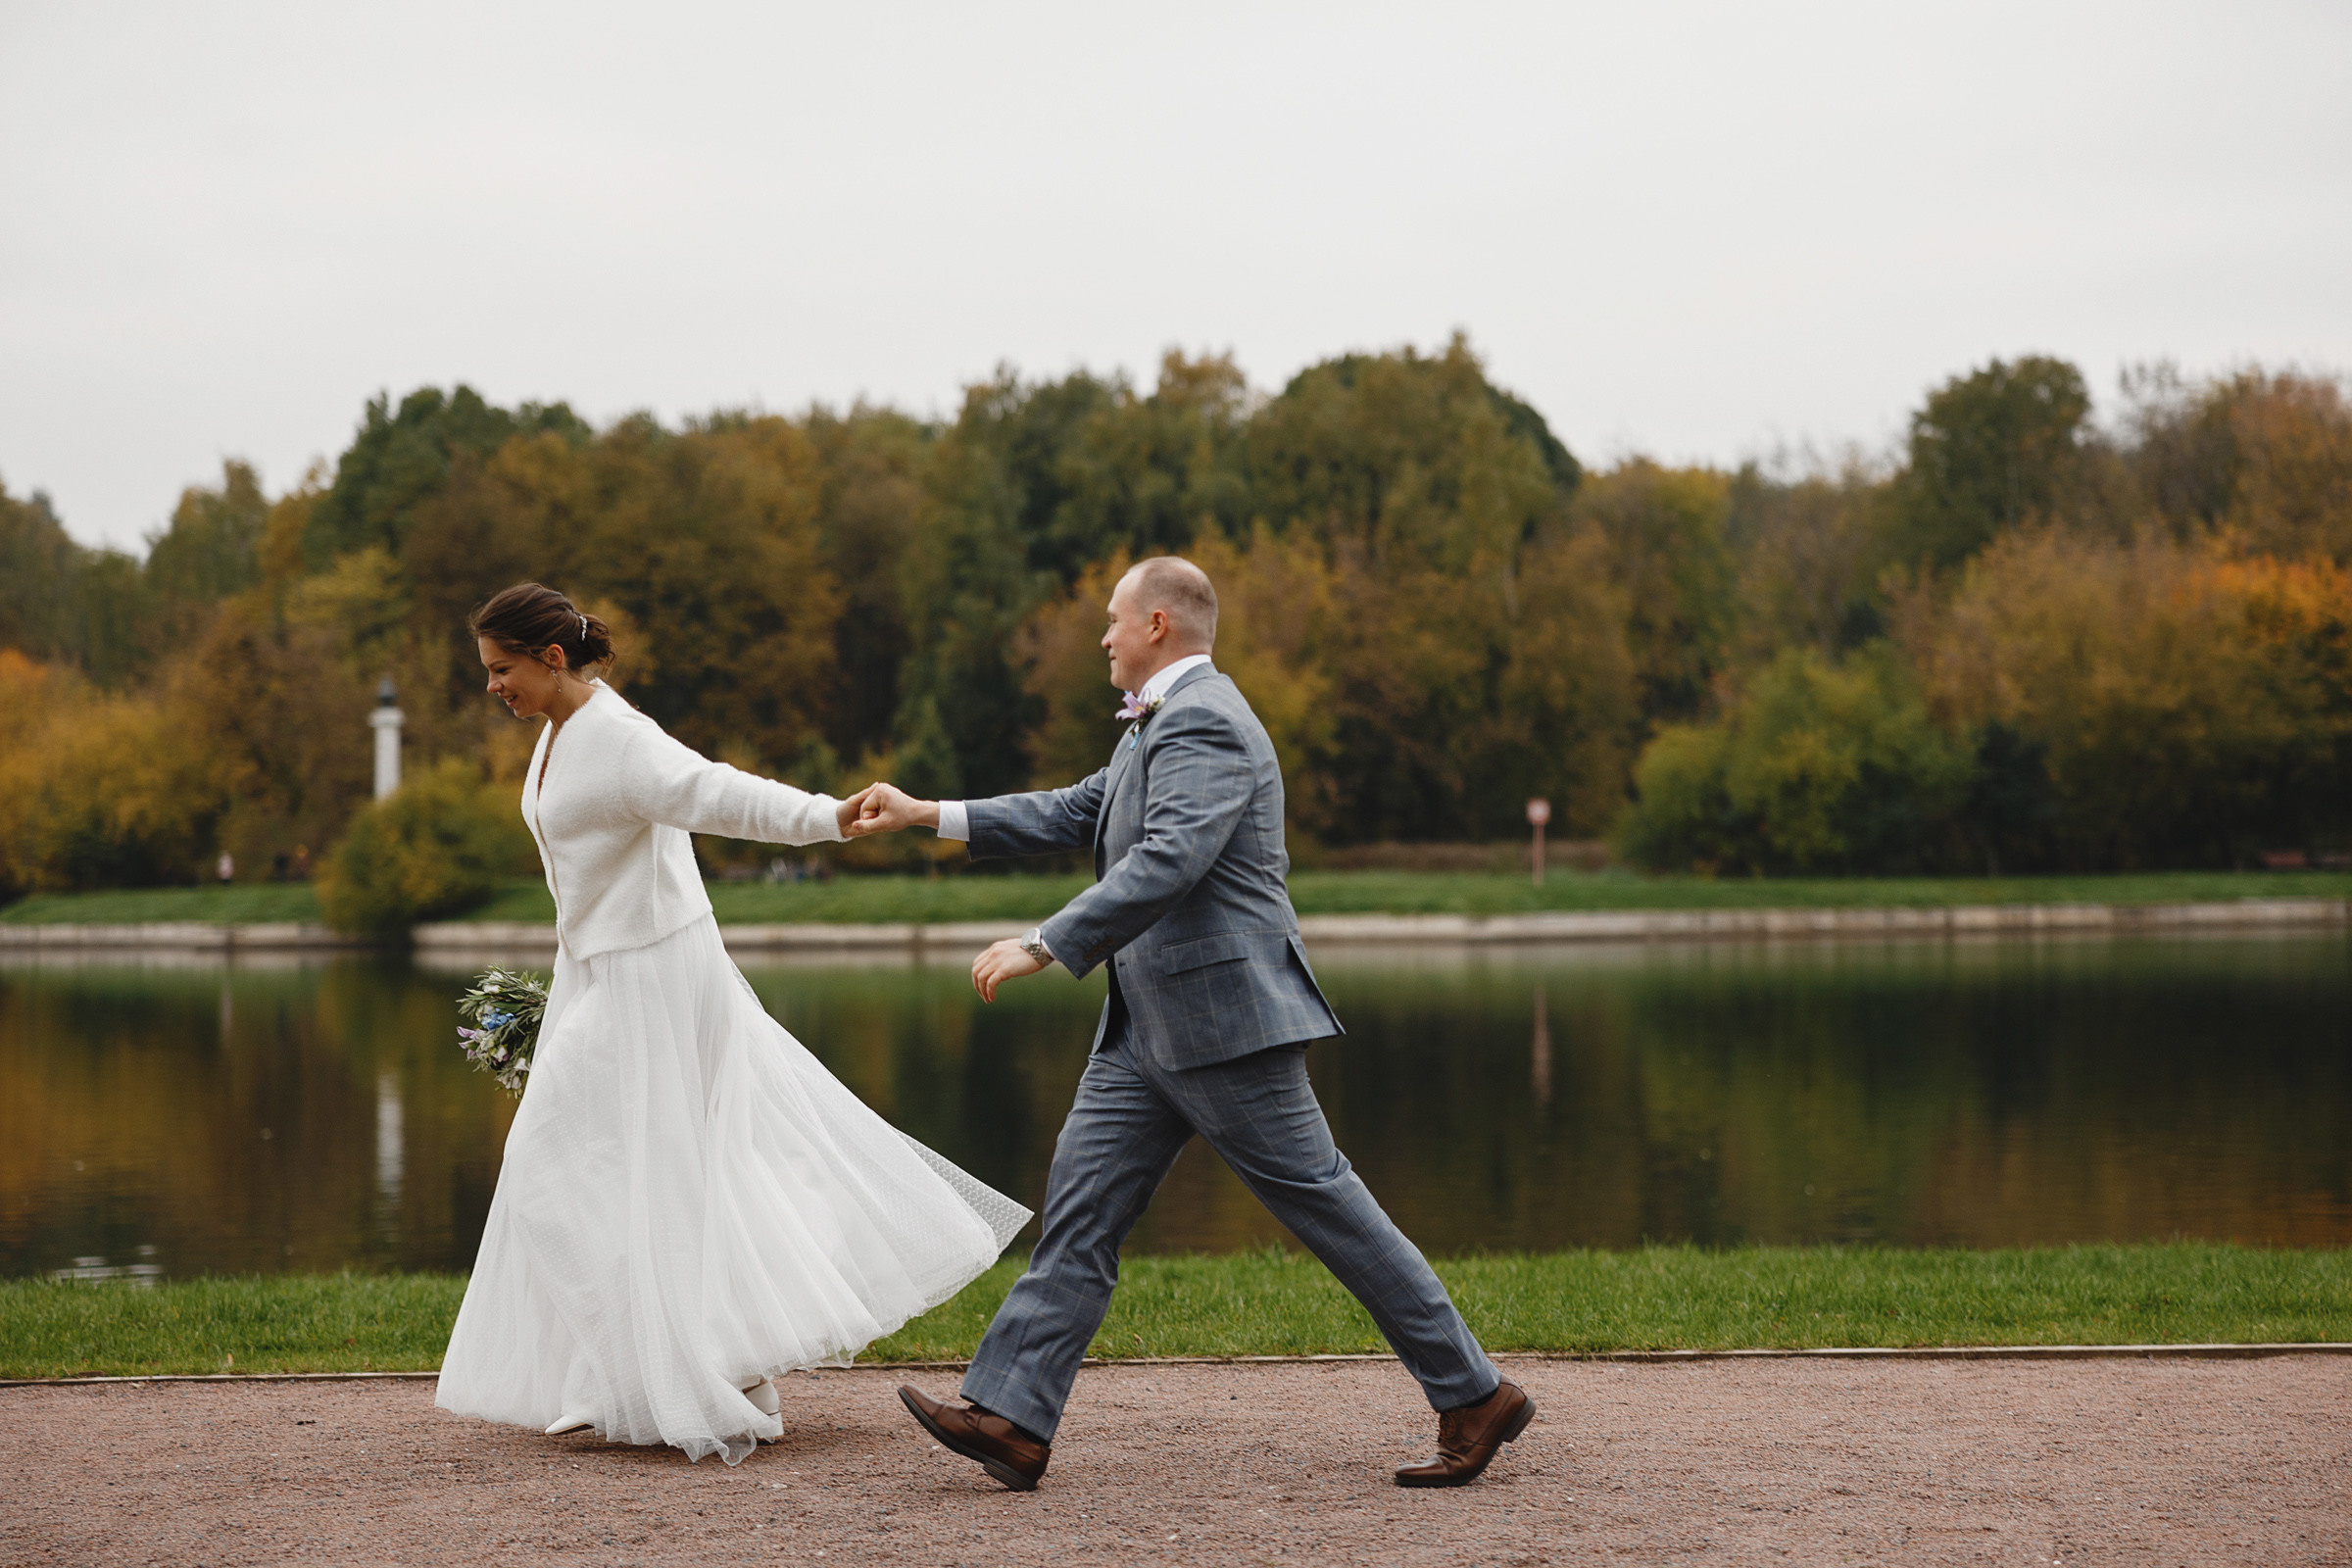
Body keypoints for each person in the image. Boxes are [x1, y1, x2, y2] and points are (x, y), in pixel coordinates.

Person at [856, 557, 1531, 1491]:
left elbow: (1170, 860)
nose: (1102, 637)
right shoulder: (1153, 727)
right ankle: (1011, 1417)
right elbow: (1076, 810)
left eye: (1112, 620)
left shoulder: (1208, 719)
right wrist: (927, 813)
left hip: (1223, 1025)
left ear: (1160, 625)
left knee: (1329, 1208)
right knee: (1082, 1213)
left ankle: (1474, 1394)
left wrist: (1045, 944)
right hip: (1145, 1034)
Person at [434, 583, 1028, 1466]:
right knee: (648, 1178)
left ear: (552, 659)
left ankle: (686, 1371)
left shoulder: (620, 739)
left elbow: (719, 794)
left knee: (557, 1164)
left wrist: (827, 817)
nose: (492, 687)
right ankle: (668, 1365)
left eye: (502, 670)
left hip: (655, 979)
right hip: (601, 975)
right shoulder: (558, 734)